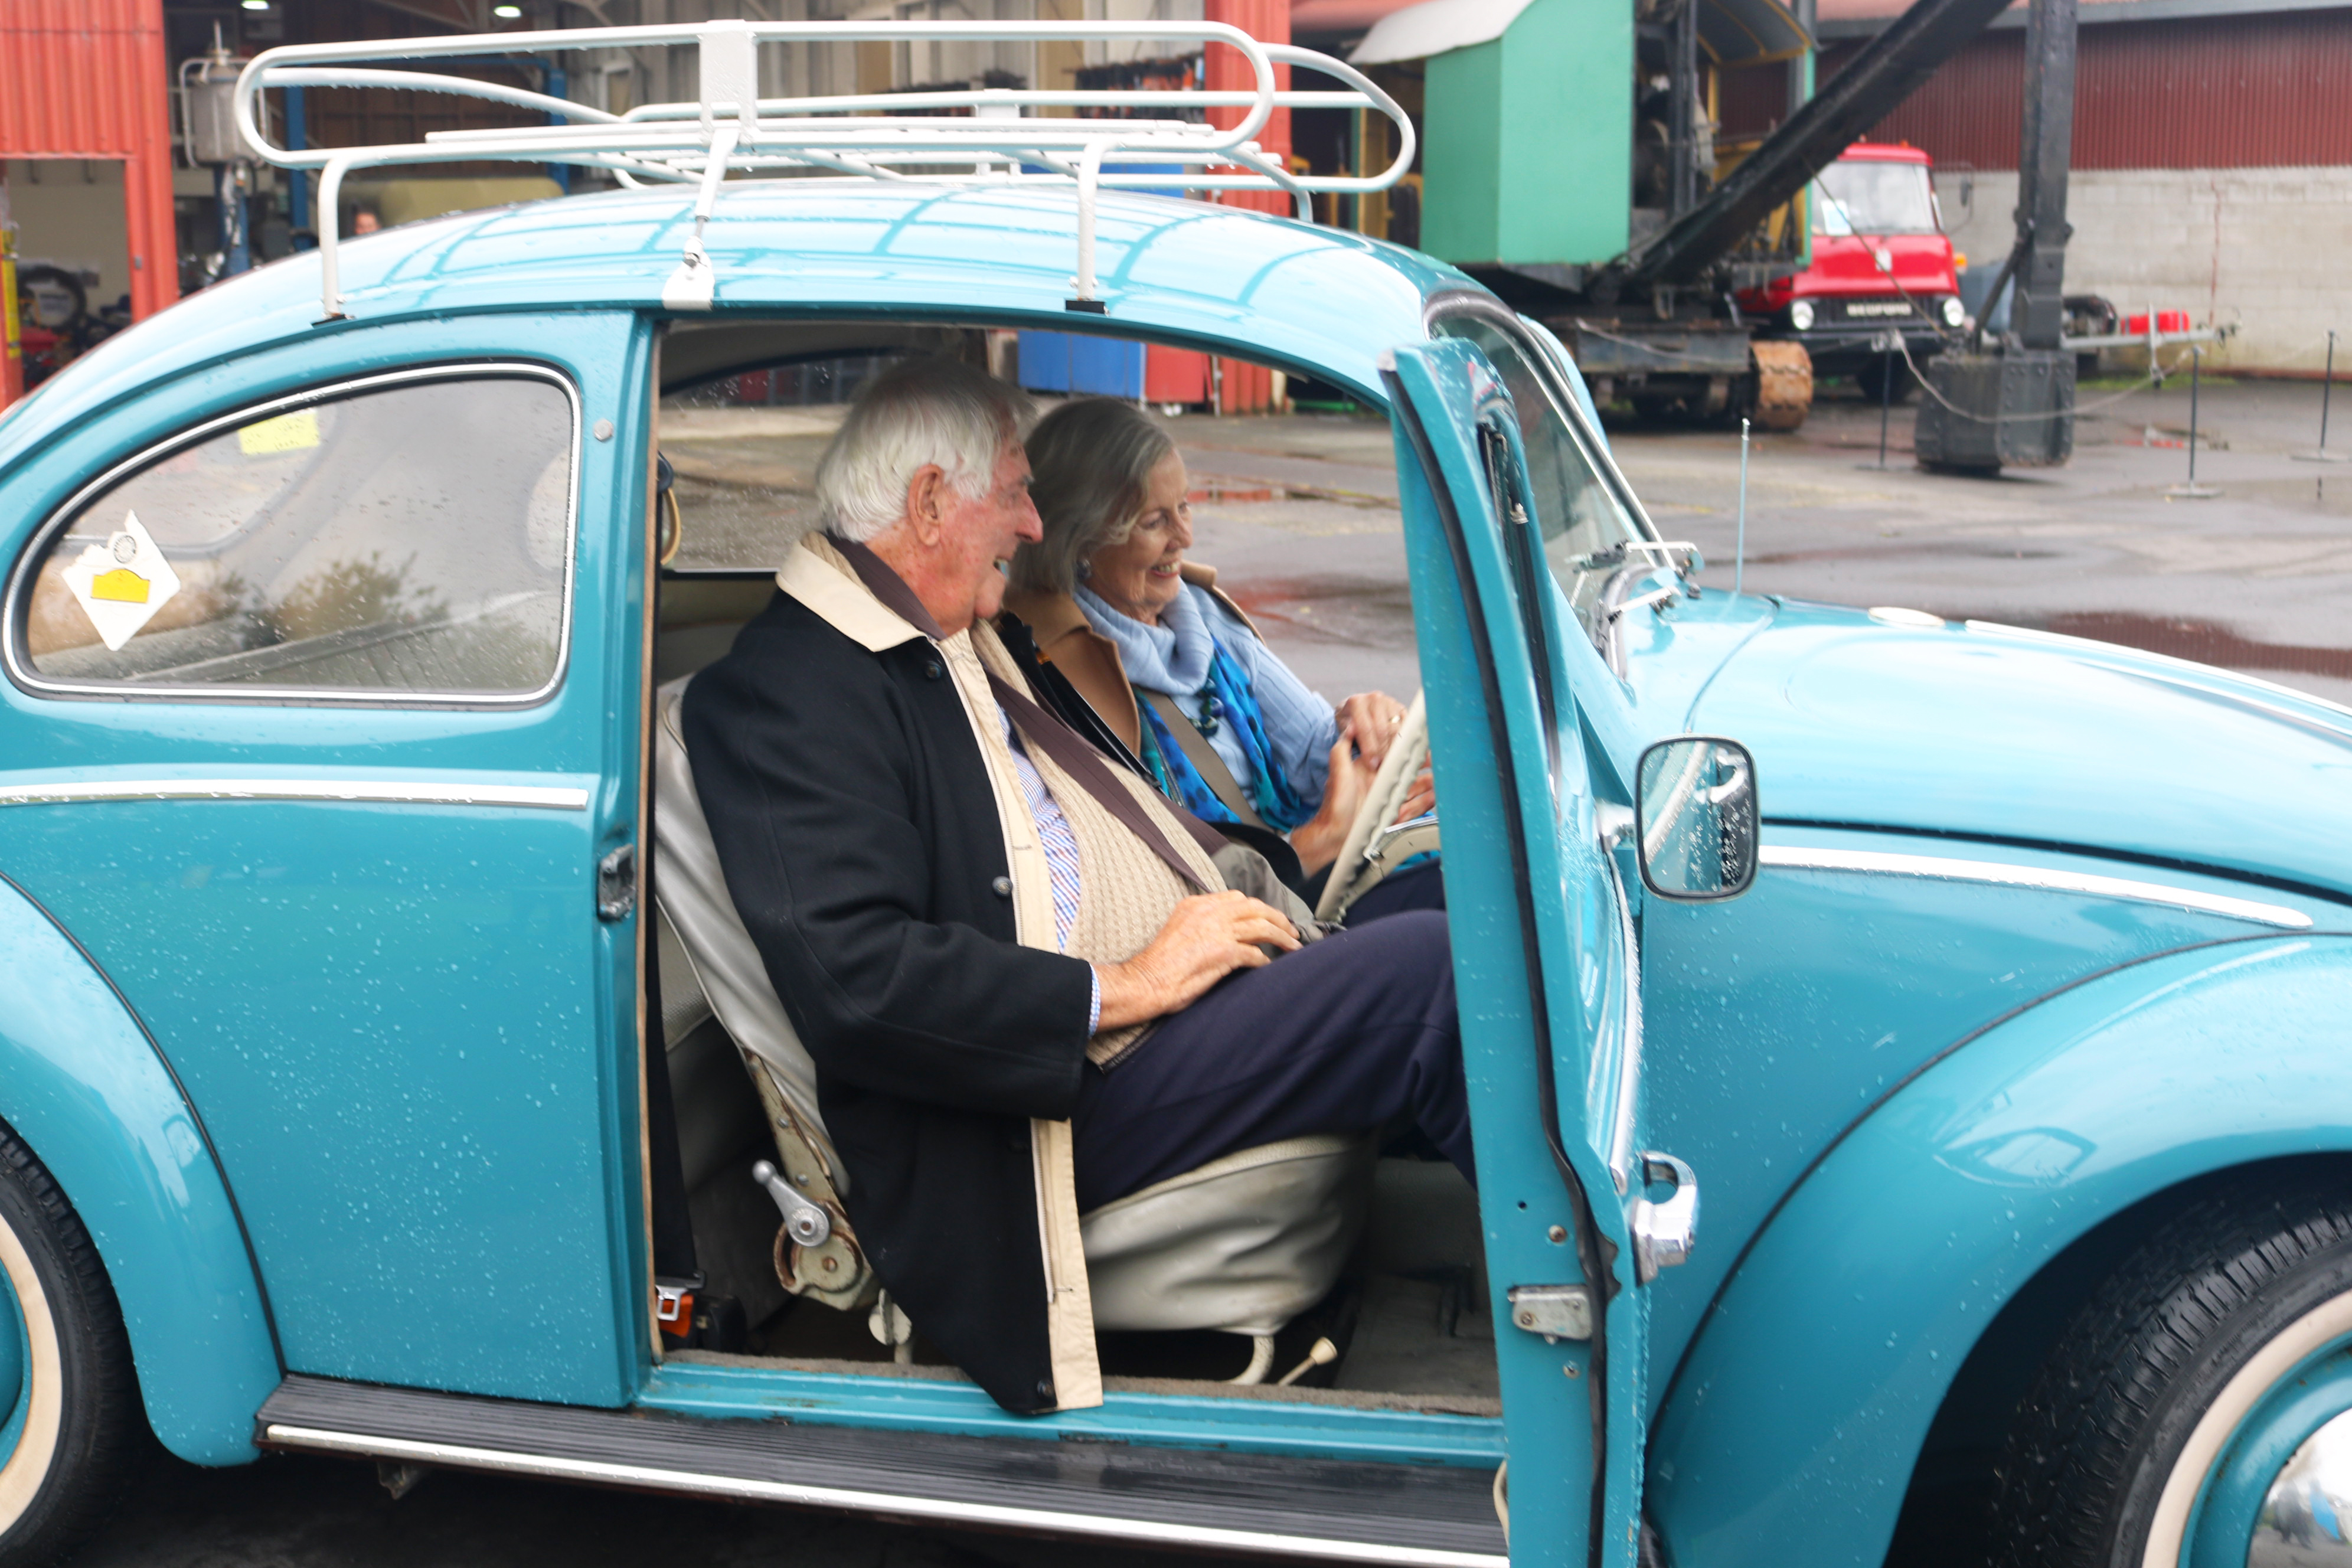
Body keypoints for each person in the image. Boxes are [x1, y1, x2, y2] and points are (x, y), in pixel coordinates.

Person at [685, 358, 1471, 1417]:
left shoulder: (964, 640)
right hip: (1049, 1103)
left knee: (1457, 903)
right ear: (927, 503)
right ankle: (1575, 1332)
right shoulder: (793, 689)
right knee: (1429, 979)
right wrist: (1130, 984)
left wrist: (1286, 874)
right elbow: (859, 980)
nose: (1028, 523)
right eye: (1013, 492)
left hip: (1162, 1013)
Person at [1002, 397, 1439, 916]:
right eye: (1154, 521)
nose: (1184, 537)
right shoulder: (1055, 665)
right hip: (1245, 918)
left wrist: (1368, 732)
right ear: (1083, 539)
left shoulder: (1203, 614)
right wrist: (1315, 843)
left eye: (1184, 507)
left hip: (1298, 882)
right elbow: (1142, 889)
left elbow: (1315, 748)